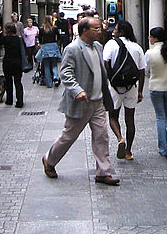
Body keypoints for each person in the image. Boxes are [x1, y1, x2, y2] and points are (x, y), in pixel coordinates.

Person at [42, 17, 119, 186]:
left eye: (100, 28)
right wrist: (78, 90)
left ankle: (103, 172)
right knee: (69, 136)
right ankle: (49, 159)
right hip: (81, 101)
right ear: (85, 31)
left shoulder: (98, 47)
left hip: (98, 101)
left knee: (101, 136)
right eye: (96, 29)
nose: (100, 31)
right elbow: (66, 73)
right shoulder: (73, 49)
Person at [103, 20, 145, 161]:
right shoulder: (137, 47)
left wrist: (110, 80)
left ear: (121, 31)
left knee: (113, 116)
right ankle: (128, 151)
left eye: (115, 29)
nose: (113, 31)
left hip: (115, 87)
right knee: (130, 119)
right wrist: (140, 91)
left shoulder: (111, 44)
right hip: (131, 87)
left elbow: (106, 64)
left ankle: (120, 138)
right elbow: (141, 71)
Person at [145, 27, 167, 157]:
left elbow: (147, 70)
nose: (149, 38)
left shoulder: (149, 53)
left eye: (150, 36)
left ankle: (163, 149)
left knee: (160, 117)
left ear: (155, 38)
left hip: (155, 88)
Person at [0, 22, 24, 108]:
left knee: (8, 81)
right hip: (17, 62)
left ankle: (9, 100)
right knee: (18, 82)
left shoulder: (5, 38)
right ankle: (19, 101)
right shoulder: (19, 39)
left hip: (7, 62)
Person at [37, 15, 62, 87]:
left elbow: (40, 39)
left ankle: (49, 83)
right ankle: (56, 77)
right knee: (54, 64)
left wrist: (41, 45)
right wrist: (57, 44)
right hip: (53, 46)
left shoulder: (42, 29)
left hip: (45, 47)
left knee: (46, 66)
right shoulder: (54, 28)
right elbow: (59, 37)